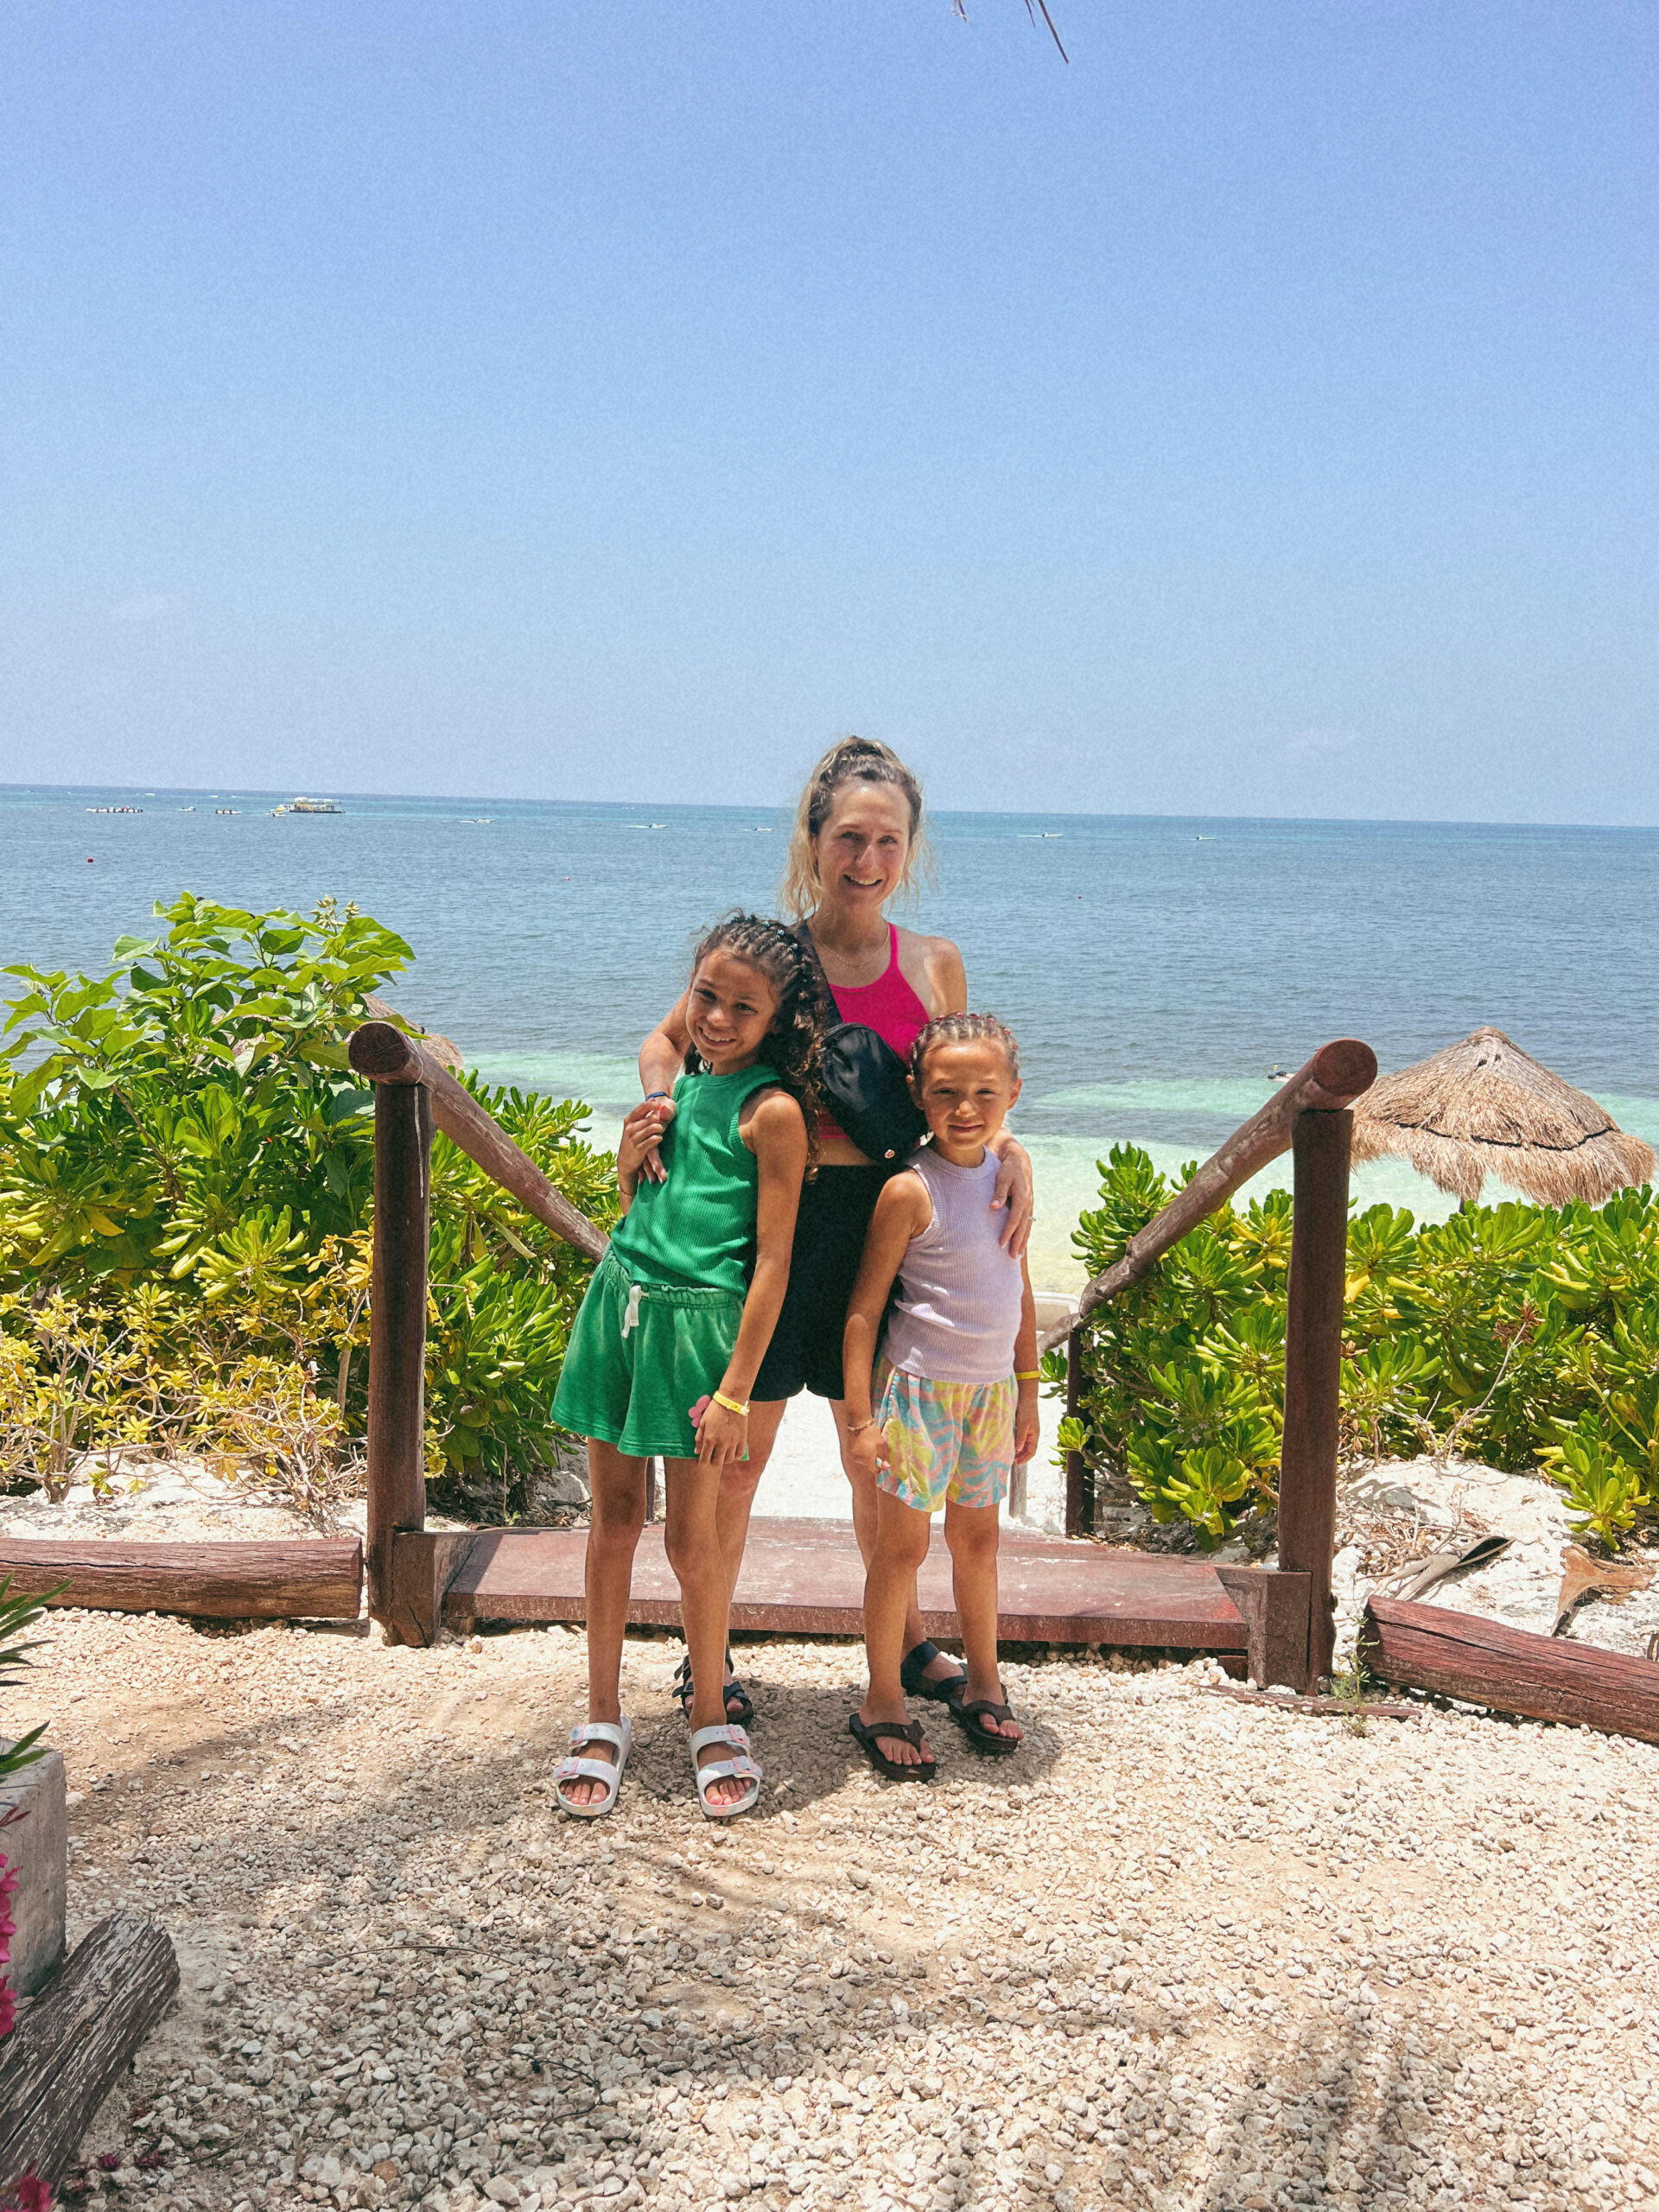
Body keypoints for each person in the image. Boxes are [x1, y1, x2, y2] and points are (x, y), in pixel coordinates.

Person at [635, 739, 1034, 1719]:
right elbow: (669, 1039)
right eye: (849, 836)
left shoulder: (935, 962)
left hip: (896, 1225)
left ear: (910, 848)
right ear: (813, 841)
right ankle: (710, 1657)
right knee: (742, 1460)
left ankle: (899, 1649)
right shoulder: (774, 959)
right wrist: (658, 1107)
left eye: (887, 840)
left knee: (880, 1459)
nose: (868, 858)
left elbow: (964, 1080)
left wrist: (1011, 1148)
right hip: (780, 1225)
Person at [550, 915, 823, 1818]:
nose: (717, 1018)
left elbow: (771, 1261)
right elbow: (646, 1207)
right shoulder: (684, 1090)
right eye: (707, 995)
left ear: (778, 1020)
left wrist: (739, 1389)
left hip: (702, 1340)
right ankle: (599, 1713)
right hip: (622, 1308)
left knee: (691, 1540)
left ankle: (711, 1710)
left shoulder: (772, 1111)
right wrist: (631, 1161)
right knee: (614, 1523)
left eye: (745, 1007)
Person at [842, 1014, 1037, 1777]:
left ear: (1013, 1093)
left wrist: (1028, 1392)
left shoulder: (1013, 1180)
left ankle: (984, 1679)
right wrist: (861, 1420)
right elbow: (864, 1310)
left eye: (985, 1091)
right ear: (918, 1097)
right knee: (901, 1547)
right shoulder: (908, 1189)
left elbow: (1017, 1290)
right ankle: (882, 1696)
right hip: (919, 1395)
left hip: (990, 1394)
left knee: (979, 1541)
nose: (966, 1107)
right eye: (946, 1091)